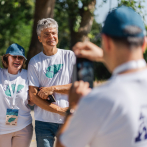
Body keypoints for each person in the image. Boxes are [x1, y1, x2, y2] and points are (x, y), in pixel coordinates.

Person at [57, 6, 147, 147]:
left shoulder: (97, 100)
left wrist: (73, 108)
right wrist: (104, 55)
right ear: (144, 44)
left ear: (106, 42)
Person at [28, 18, 75, 147]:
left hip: (68, 120)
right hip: (43, 122)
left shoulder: (69, 56)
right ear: (39, 38)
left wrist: (53, 89)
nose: (51, 37)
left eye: (53, 33)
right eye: (46, 34)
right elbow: (33, 96)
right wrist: (60, 110)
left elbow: (77, 87)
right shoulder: (34, 62)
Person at [0, 43, 33, 147]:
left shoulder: (27, 75)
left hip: (23, 127)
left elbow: (32, 99)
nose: (17, 60)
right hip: (1, 129)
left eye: (20, 57)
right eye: (14, 57)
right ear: (7, 58)